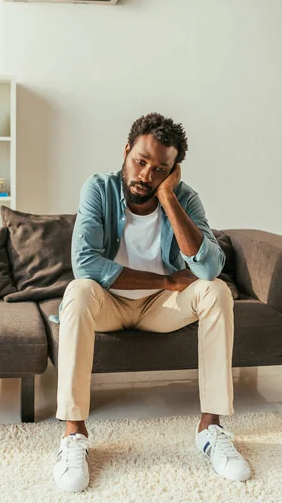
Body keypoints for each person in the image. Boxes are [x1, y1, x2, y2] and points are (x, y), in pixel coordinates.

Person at [51, 112, 251, 492]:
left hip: (162, 307)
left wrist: (169, 197)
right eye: (140, 161)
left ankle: (211, 429)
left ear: (174, 171)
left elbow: (209, 267)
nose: (146, 174)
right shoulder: (98, 188)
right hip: (108, 303)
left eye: (160, 168)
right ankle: (73, 434)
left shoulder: (183, 197)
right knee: (77, 290)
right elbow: (86, 263)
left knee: (217, 291)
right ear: (126, 152)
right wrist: (164, 279)